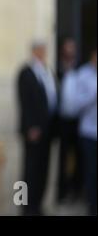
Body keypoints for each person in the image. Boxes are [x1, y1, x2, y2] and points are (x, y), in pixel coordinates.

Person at [17, 40, 58, 215]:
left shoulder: (47, 71)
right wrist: (30, 127)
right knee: (30, 171)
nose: (43, 53)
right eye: (41, 50)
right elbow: (24, 103)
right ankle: (27, 207)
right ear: (34, 52)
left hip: (48, 130)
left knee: (43, 170)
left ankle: (38, 205)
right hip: (33, 132)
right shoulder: (25, 73)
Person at [56, 37, 82, 204]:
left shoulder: (80, 69)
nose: (70, 51)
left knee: (79, 156)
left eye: (72, 48)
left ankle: (77, 190)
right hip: (62, 121)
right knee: (62, 156)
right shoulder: (57, 69)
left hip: (79, 121)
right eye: (67, 47)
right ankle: (62, 191)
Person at [74, 47, 97, 215]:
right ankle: (92, 205)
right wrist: (93, 96)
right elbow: (75, 103)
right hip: (89, 132)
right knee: (91, 170)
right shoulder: (83, 74)